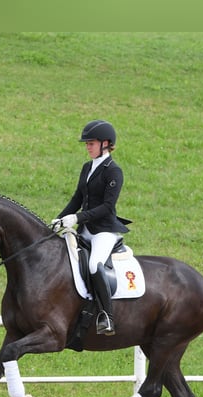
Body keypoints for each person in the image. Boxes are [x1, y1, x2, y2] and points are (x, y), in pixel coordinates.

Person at [51, 119, 131, 336]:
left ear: (106, 144)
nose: (88, 146)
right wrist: (58, 220)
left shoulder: (114, 171)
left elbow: (107, 207)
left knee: (95, 265)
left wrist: (76, 218)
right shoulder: (87, 167)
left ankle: (107, 315)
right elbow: (77, 197)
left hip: (103, 230)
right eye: (87, 143)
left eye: (92, 143)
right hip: (84, 229)